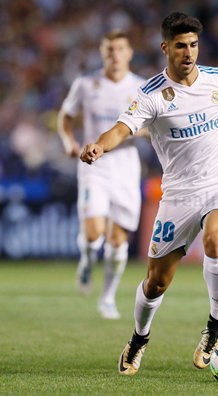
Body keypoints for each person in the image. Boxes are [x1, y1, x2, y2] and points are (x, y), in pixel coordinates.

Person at [79, 12, 218, 375]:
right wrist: (99, 146)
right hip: (179, 194)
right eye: (181, 46)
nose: (189, 53)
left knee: (216, 241)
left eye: (194, 45)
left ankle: (215, 327)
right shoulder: (151, 94)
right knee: (156, 282)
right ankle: (139, 338)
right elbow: (122, 129)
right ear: (165, 48)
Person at [58, 30, 146, 320]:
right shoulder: (86, 84)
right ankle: (86, 260)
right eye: (109, 49)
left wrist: (131, 130)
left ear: (129, 53)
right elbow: (65, 116)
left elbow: (154, 124)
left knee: (118, 241)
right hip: (93, 167)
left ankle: (107, 298)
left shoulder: (142, 88)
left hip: (126, 168)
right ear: (102, 52)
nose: (115, 54)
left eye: (120, 49)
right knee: (94, 234)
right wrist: (69, 142)